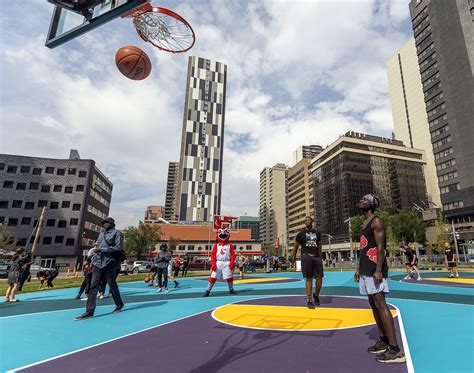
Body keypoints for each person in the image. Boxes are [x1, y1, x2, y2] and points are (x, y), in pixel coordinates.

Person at [354, 194, 406, 364]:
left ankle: (395, 349)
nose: (361, 201)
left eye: (365, 200)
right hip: (365, 269)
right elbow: (364, 248)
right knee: (373, 304)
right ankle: (383, 340)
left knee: (381, 303)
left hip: (374, 269)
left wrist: (378, 270)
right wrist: (358, 269)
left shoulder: (377, 222)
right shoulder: (364, 223)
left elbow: (381, 248)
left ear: (372, 204)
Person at [75, 217, 125, 320]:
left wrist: (102, 249)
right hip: (98, 262)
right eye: (104, 223)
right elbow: (98, 247)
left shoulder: (117, 233)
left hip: (110, 262)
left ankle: (119, 304)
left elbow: (118, 248)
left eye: (107, 223)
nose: (105, 224)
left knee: (112, 283)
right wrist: (95, 253)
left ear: (112, 224)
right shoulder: (101, 234)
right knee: (94, 285)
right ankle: (89, 311)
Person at [291, 216, 323, 309]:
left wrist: (320, 256)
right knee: (309, 278)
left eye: (309, 220)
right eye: (306, 220)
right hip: (306, 256)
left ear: (312, 222)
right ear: (305, 223)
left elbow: (320, 245)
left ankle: (316, 295)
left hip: (316, 257)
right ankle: (309, 300)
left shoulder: (317, 233)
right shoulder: (301, 234)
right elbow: (296, 247)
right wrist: (293, 257)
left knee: (319, 279)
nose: (307, 221)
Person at [203, 226, 237, 297]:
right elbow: (213, 255)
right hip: (218, 263)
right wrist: (213, 264)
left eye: (225, 235)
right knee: (213, 277)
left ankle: (231, 289)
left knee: (229, 277)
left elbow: (233, 255)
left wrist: (232, 262)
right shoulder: (216, 245)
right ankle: (207, 290)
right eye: (221, 235)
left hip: (227, 262)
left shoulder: (230, 245)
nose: (223, 236)